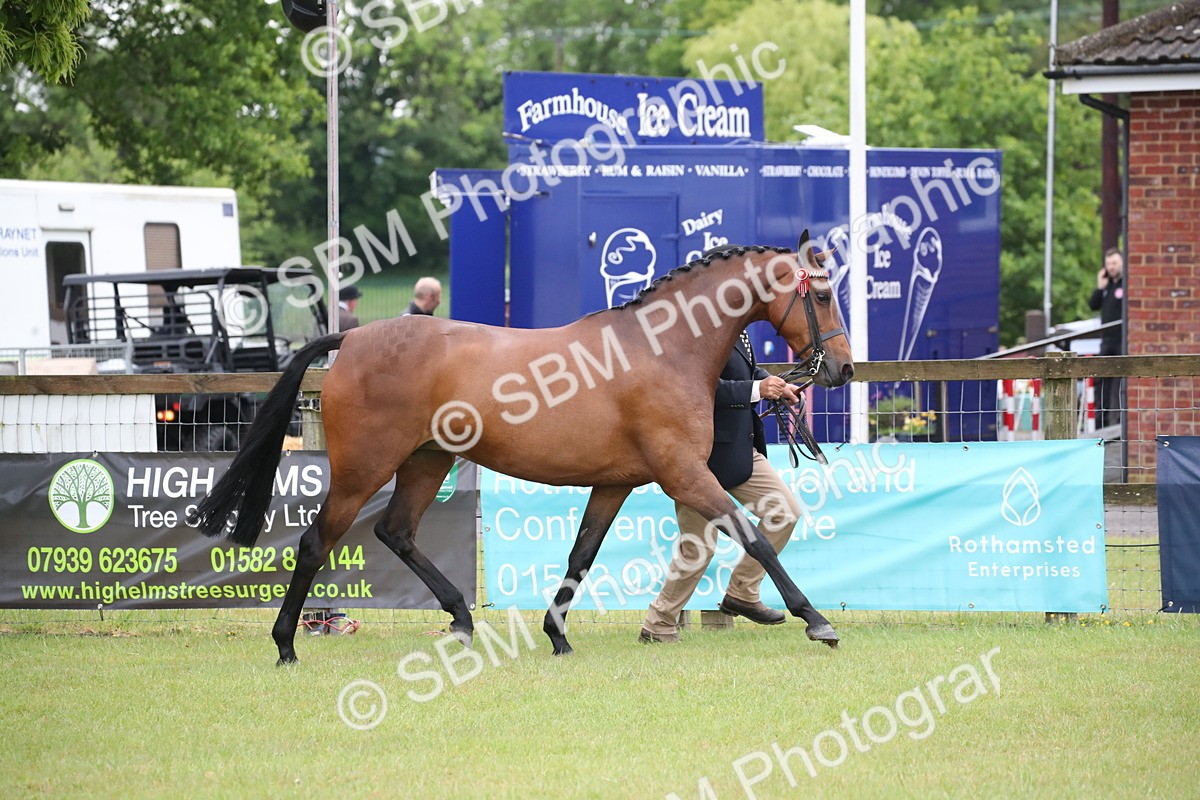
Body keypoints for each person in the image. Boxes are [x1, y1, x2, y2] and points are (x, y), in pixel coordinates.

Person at [640, 331, 805, 643]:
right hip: (698, 460)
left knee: (785, 511)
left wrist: (775, 385)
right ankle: (658, 624)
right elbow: (697, 387)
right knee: (698, 547)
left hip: (741, 450)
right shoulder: (694, 331)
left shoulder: (736, 328)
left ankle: (742, 591)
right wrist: (757, 388)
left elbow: (748, 370)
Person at [1087, 248, 1124, 427]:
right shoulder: (1107, 287)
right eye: (1109, 264)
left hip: (1122, 340)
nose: (1111, 267)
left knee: (1121, 381)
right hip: (1107, 340)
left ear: (1122, 263)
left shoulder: (1126, 285)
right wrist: (1099, 288)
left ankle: (1119, 422)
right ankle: (1102, 423)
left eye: (1115, 263)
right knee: (1102, 379)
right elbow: (1092, 305)